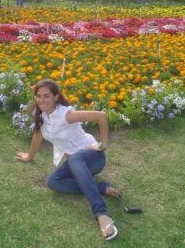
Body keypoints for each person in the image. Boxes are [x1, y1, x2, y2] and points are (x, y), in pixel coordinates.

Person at [16, 79, 120, 241]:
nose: (41, 100)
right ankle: (100, 187)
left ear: (56, 97)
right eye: (38, 96)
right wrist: (29, 157)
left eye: (46, 96)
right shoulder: (41, 114)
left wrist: (103, 144)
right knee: (53, 181)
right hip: (74, 163)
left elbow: (101, 116)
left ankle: (101, 213)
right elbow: (38, 135)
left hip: (93, 158)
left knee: (75, 159)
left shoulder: (66, 114)